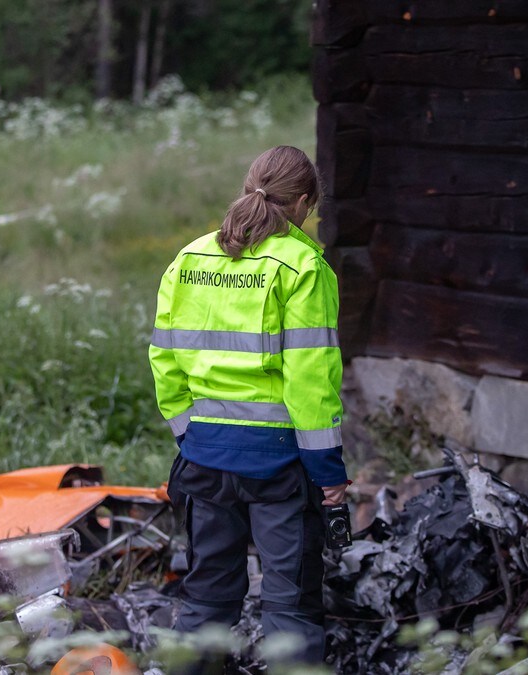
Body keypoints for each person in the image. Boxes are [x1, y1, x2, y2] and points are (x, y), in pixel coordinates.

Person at [148, 146, 348, 666]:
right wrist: (327, 471)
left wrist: (190, 435)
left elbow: (164, 358)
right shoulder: (304, 266)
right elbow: (311, 381)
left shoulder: (189, 259)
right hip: (280, 468)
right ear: (303, 202)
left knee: (206, 601)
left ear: (248, 186)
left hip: (204, 461)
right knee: (290, 609)